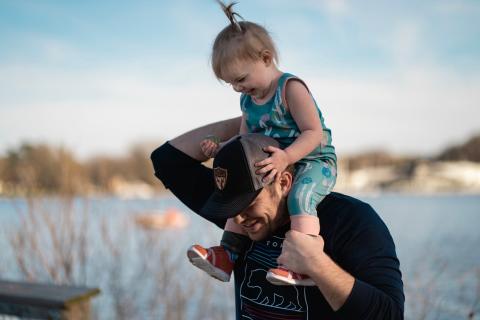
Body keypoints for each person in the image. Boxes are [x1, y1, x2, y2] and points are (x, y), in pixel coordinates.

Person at [150, 121, 405, 319]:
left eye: (247, 205)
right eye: (230, 207)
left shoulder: (352, 220)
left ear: (283, 182)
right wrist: (255, 118)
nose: (237, 217)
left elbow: (390, 315)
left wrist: (316, 265)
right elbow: (167, 161)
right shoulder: (241, 222)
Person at [190, 0, 337, 286]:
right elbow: (246, 139)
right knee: (239, 192)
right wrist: (222, 147)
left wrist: (286, 157)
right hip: (276, 163)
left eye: (241, 79)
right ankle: (227, 255)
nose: (238, 88)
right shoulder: (248, 100)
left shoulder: (290, 89)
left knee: (300, 197)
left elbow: (313, 132)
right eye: (232, 83)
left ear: (267, 58)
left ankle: (304, 263)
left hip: (313, 161)